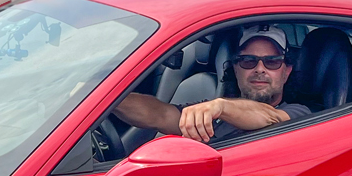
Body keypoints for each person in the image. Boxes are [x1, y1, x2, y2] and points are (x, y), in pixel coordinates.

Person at [115, 25, 312, 143]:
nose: (260, 69)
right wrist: (109, 98)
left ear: (286, 72)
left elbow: (270, 117)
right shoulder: (216, 114)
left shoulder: (300, 114)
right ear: (236, 69)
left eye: (272, 62)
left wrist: (220, 107)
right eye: (248, 61)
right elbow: (159, 114)